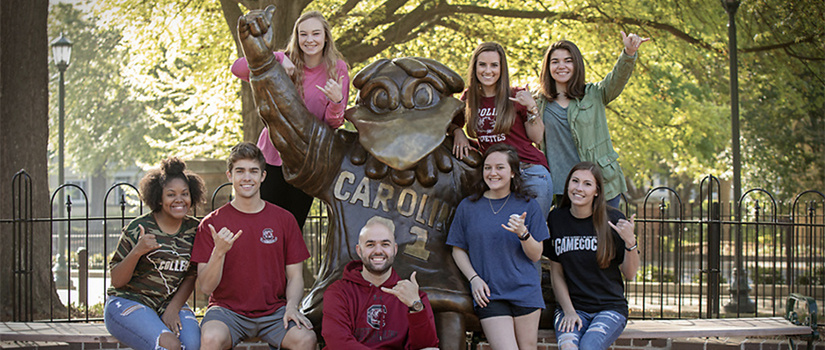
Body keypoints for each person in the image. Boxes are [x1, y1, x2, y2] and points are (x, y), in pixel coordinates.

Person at [231, 9, 349, 230]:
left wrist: (336, 101)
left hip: (305, 163)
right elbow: (237, 68)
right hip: (271, 156)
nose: (310, 40)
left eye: (315, 34)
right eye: (303, 34)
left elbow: (334, 123)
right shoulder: (282, 60)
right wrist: (276, 57)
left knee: (291, 230)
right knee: (260, 227)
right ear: (297, 37)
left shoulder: (337, 69)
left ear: (325, 37)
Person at [191, 142, 316, 350]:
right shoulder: (211, 223)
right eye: (240, 171)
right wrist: (219, 252)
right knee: (211, 338)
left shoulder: (284, 219)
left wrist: (292, 307)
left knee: (306, 339)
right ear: (230, 176)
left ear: (263, 176)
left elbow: (295, 276)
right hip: (227, 312)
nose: (247, 178)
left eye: (253, 171)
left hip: (274, 312)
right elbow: (206, 286)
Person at [447, 143, 549, 350]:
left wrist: (523, 233)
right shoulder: (468, 206)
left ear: (512, 172)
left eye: (500, 167)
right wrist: (474, 279)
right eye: (487, 167)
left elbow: (536, 254)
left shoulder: (528, 205)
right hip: (489, 294)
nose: (492, 173)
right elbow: (457, 248)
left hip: (525, 291)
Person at [537, 32, 649, 209]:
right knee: (572, 237)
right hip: (562, 189)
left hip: (601, 184)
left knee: (605, 236)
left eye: (568, 60)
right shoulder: (539, 103)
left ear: (577, 64)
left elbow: (617, 79)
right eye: (555, 61)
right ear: (548, 67)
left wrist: (628, 53)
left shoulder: (594, 94)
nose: (561, 66)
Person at [104, 157, 206, 350]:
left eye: (184, 194)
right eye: (171, 194)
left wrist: (173, 308)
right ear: (159, 198)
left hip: (167, 303)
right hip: (128, 301)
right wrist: (137, 251)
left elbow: (192, 274)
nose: (179, 200)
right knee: (169, 346)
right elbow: (117, 281)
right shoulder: (139, 228)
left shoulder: (195, 229)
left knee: (193, 344)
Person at [449, 42, 553, 218]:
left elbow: (537, 138)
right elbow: (450, 124)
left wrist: (531, 108)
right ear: (474, 67)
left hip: (529, 172)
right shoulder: (469, 98)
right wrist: (458, 132)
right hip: (495, 176)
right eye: (482, 64)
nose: (487, 70)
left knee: (531, 236)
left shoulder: (516, 95)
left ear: (501, 68)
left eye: (494, 65)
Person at [544, 161, 641, 350]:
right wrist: (569, 311)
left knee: (589, 347)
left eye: (587, 184)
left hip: (609, 308)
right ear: (568, 185)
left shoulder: (613, 220)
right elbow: (557, 273)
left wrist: (631, 242)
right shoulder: (556, 219)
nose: (579, 188)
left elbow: (629, 274)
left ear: (597, 191)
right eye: (575, 181)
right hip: (572, 307)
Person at [321, 216, 439, 350]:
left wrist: (415, 306)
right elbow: (338, 342)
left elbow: (427, 345)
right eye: (370, 245)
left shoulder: (412, 294)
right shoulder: (338, 292)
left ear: (394, 249)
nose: (378, 251)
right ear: (359, 251)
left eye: (385, 244)